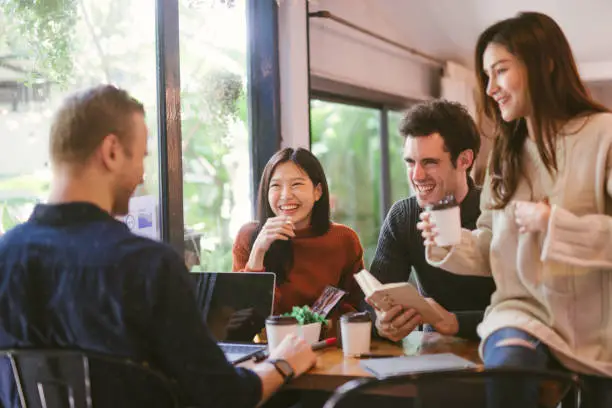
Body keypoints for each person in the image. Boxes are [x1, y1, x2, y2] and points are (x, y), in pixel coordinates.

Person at [0, 85, 316, 408]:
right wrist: (283, 362)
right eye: (141, 157)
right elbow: (225, 397)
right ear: (111, 151)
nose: (140, 175)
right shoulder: (147, 266)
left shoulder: (5, 257)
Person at [419, 12, 612, 407]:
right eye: (486, 76)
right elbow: (493, 248)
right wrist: (451, 242)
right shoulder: (506, 155)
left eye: (500, 71)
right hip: (522, 314)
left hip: (599, 326)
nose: (490, 89)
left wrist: (554, 224)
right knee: (508, 369)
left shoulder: (604, 135)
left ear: (546, 64)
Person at [368, 99, 495, 342]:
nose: (416, 175)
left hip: (495, 345)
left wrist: (454, 322)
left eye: (430, 162)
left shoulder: (495, 212)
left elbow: (528, 312)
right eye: (410, 162)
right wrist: (381, 323)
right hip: (432, 350)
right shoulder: (404, 217)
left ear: (465, 160)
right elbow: (373, 301)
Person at [233, 147, 364, 318]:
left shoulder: (343, 239)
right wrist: (258, 251)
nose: (286, 195)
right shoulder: (248, 236)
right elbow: (242, 314)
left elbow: (357, 308)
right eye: (275, 186)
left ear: (317, 192)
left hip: (328, 343)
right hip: (269, 343)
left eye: (296, 184)